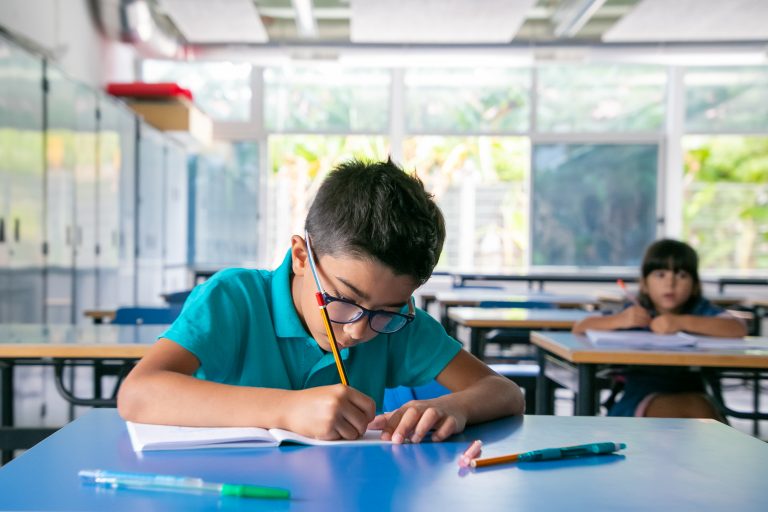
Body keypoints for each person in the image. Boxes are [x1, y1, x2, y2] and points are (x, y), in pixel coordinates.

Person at [118, 158, 524, 444]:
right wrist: (287, 410)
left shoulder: (397, 325)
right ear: (300, 257)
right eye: (344, 299)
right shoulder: (234, 297)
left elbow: (504, 392)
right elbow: (139, 393)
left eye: (387, 311)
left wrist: (455, 407)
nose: (358, 330)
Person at [572, 239, 747, 419]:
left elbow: (737, 328)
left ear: (695, 285)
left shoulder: (698, 310)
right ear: (645, 284)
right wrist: (620, 320)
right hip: (640, 398)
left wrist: (681, 322)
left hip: (695, 392)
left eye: (681, 275)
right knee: (699, 412)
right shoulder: (635, 312)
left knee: (700, 409)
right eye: (660, 274)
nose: (670, 284)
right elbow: (581, 327)